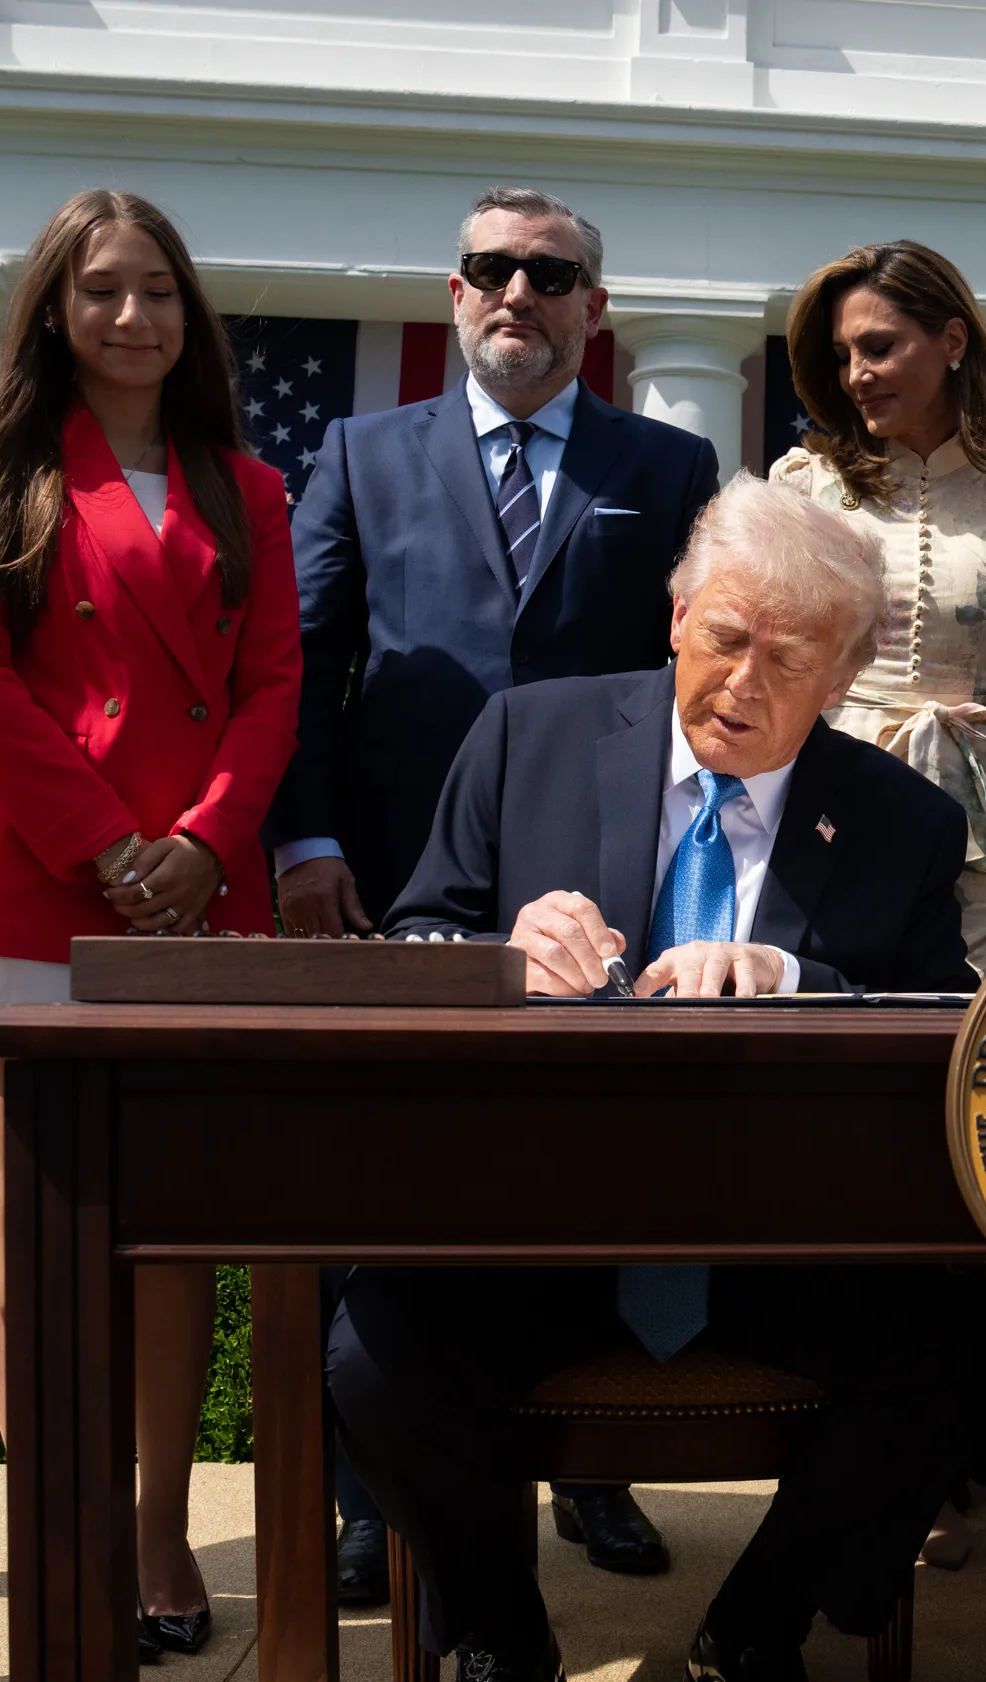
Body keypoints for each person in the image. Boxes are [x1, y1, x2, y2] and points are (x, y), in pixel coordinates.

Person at [325, 475, 986, 1682]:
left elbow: (946, 1020)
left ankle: (757, 1634)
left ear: (845, 675)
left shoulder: (899, 820)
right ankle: (501, 1641)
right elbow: (412, 942)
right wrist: (495, 958)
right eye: (724, 637)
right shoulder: (528, 734)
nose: (742, 683)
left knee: (971, 1346)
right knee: (376, 1344)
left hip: (780, 1241)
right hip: (542, 1228)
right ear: (674, 615)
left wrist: (792, 972)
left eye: (789, 658)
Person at [267, 186, 719, 1577]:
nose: (516, 291)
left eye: (549, 272)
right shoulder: (359, 452)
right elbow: (301, 661)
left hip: (594, 873)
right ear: (453, 294)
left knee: (594, 1167)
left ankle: (593, 1470)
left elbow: (689, 674)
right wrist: (307, 840)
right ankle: (369, 1490)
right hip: (394, 872)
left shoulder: (668, 465)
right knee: (378, 1165)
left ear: (594, 309)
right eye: (489, 269)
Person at [0, 189, 302, 1662]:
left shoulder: (247, 486)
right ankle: (58, 1521)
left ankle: (153, 1521)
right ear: (53, 310)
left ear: (190, 315)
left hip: (205, 897)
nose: (132, 317)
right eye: (100, 291)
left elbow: (273, 689)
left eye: (157, 291)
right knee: (38, 1224)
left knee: (171, 1235)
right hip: (35, 884)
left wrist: (204, 845)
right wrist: (108, 845)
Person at [772, 240, 986, 971]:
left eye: (879, 347)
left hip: (981, 832)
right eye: (844, 354)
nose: (856, 375)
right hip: (830, 809)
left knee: (972, 1043)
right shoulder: (801, 487)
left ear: (952, 341)